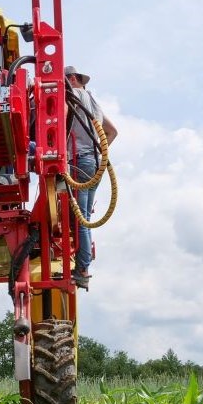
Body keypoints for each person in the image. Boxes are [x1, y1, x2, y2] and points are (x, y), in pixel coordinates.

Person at [65, 65, 118, 290]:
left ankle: (83, 267)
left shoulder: (73, 96)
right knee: (82, 215)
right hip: (95, 161)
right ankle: (82, 262)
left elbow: (62, 121)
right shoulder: (93, 104)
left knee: (81, 218)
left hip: (79, 160)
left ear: (72, 79)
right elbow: (113, 131)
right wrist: (100, 152)